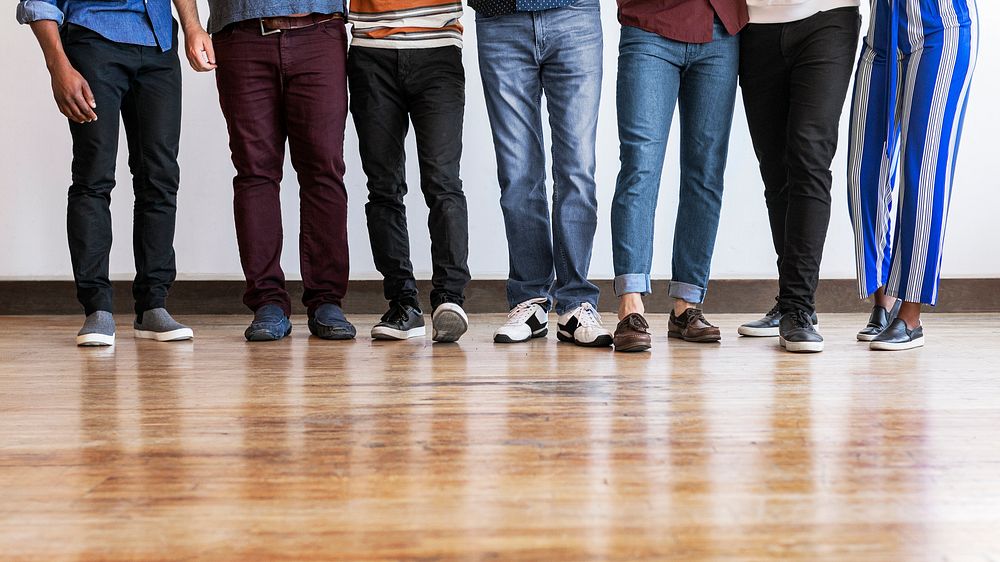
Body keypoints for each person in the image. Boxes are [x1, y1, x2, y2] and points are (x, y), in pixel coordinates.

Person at [174, 0, 357, 342]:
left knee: (325, 169)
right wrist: (192, 26)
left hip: (319, 31)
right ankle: (267, 302)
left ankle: (327, 300)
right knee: (255, 173)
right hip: (241, 37)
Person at [17, 0, 194, 347]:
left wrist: (193, 27)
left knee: (160, 177)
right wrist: (58, 65)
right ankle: (97, 308)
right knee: (94, 176)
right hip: (93, 40)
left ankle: (153, 306)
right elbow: (38, 2)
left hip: (159, 45)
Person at [472, 0, 613, 348]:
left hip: (574, 13)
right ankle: (530, 300)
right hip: (499, 17)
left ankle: (576, 303)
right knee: (517, 174)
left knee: (577, 169)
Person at [610, 0, 747, 352]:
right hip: (649, 26)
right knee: (640, 165)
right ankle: (630, 304)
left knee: (706, 172)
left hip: (719, 31)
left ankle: (687, 304)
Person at [847, 0, 978, 351]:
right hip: (881, 37)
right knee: (863, 174)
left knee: (923, 174)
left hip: (942, 31)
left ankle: (910, 315)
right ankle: (883, 301)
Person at [737, 0, 861, 353]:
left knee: (809, 155)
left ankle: (798, 307)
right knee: (775, 171)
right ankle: (789, 300)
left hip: (827, 20)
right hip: (754, 27)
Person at [347, 0, 471, 342]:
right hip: (371, 51)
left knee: (442, 181)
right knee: (383, 186)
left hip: (438, 49)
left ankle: (449, 299)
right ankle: (403, 303)